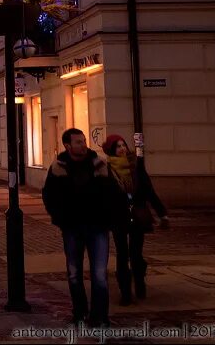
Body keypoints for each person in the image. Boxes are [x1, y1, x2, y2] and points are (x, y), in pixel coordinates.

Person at [43, 128, 124, 327]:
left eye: (84, 141)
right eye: (78, 142)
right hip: (71, 227)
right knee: (74, 273)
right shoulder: (58, 167)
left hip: (98, 227)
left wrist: (109, 216)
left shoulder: (99, 164)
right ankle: (79, 313)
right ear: (67, 145)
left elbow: (115, 193)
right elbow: (49, 195)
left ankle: (100, 317)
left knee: (99, 274)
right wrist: (59, 217)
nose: (83, 145)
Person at [102, 134, 168, 305]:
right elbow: (103, 197)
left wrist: (161, 213)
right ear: (111, 150)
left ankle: (139, 282)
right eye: (117, 146)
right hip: (118, 217)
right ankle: (125, 292)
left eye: (123, 145)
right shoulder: (107, 170)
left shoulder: (136, 167)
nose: (122, 149)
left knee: (136, 253)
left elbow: (149, 191)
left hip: (138, 215)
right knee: (122, 255)